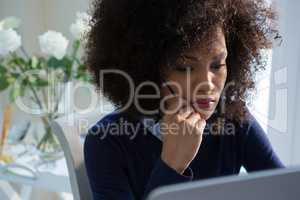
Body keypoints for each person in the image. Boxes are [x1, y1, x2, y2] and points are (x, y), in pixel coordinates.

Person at [84, 0, 284, 199]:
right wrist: (172, 165)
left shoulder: (235, 119)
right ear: (150, 69)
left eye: (217, 65)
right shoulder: (107, 142)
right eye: (185, 68)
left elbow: (285, 190)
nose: (207, 84)